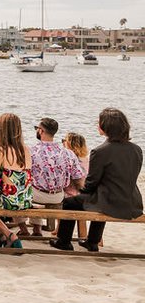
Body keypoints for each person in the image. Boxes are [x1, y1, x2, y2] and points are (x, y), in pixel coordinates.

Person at [52, 108, 143, 252]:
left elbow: (91, 183)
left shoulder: (100, 151)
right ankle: (92, 241)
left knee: (71, 202)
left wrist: (79, 190)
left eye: (99, 123)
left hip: (110, 202)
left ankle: (64, 241)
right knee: (99, 197)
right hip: (132, 202)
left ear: (106, 127)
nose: (97, 125)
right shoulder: (137, 149)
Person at [0, 113, 33, 248]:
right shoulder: (26, 149)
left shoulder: (0, 150)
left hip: (9, 200)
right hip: (25, 199)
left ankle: (10, 235)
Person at [30, 117, 86, 209]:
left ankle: (29, 222)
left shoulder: (31, 151)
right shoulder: (68, 153)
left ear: (41, 131)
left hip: (36, 196)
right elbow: (78, 178)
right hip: (58, 197)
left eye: (37, 128)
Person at [62, 132, 90, 197]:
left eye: (64, 141)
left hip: (68, 196)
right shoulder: (88, 160)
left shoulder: (67, 160)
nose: (63, 143)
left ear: (71, 145)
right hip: (84, 195)